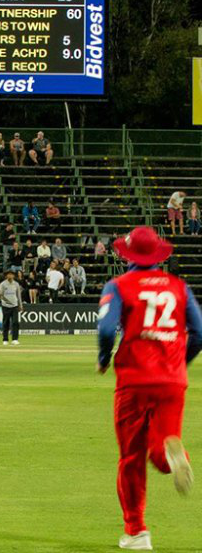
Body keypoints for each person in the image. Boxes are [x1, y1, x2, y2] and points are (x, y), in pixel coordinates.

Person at [97, 226, 202, 551]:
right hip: (172, 381)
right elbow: (198, 331)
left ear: (127, 254)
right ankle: (175, 456)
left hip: (134, 381)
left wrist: (104, 358)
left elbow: (105, 328)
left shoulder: (119, 285)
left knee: (131, 458)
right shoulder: (178, 287)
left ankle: (137, 532)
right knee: (159, 451)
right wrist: (179, 364)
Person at [0, 270, 23, 345]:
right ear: (6, 276)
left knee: (15, 322)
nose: (10, 276)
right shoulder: (3, 284)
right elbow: (0, 294)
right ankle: (5, 339)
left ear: (14, 276)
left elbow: (18, 295)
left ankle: (15, 339)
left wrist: (20, 305)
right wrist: (2, 299)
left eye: (11, 275)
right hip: (5, 306)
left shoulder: (16, 284)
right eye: (8, 275)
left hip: (14, 305)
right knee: (6, 322)